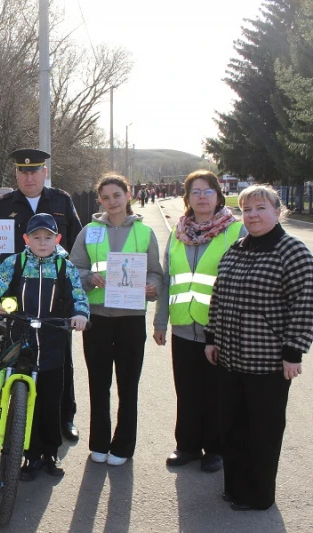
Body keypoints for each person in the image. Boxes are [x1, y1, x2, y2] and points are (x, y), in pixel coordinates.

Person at [0, 148, 83, 442]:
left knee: (60, 357)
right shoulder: (5, 204)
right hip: (16, 294)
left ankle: (64, 416)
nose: (29, 177)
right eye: (23, 172)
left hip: (53, 294)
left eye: (34, 171)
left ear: (44, 173)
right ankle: (13, 413)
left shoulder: (62, 201)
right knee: (17, 352)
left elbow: (79, 243)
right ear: (16, 174)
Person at [204, 185, 313, 511]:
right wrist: (212, 338)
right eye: (247, 209)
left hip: (268, 363)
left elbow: (305, 304)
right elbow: (218, 296)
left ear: (277, 211)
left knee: (263, 431)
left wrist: (293, 352)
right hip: (230, 359)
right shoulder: (236, 249)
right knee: (233, 426)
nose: (252, 215)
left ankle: (258, 495)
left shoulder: (293, 251)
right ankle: (236, 487)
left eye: (260, 208)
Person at [0, 213, 89, 480]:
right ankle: (29, 454)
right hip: (21, 341)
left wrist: (80, 314)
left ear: (57, 239)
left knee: (51, 400)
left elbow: (79, 295)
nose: (42, 242)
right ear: (26, 239)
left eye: (48, 237)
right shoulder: (15, 263)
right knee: (26, 401)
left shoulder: (65, 268)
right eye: (36, 237)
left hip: (53, 343)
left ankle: (50, 452)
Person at [153, 171, 245, 473]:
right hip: (183, 327)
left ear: (218, 196)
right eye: (195, 192)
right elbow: (167, 280)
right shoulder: (178, 233)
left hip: (219, 330)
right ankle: (187, 445)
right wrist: (160, 322)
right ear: (188, 198)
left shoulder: (236, 231)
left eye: (207, 191)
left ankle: (215, 449)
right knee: (187, 390)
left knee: (217, 393)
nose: (202, 197)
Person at [69, 173, 163, 466]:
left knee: (128, 385)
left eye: (117, 195)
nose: (112, 202)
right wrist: (89, 278)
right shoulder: (89, 232)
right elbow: (73, 270)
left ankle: (123, 446)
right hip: (97, 318)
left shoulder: (145, 233)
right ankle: (98, 443)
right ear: (100, 200)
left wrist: (152, 287)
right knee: (98, 384)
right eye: (106, 197)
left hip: (131, 319)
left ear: (128, 195)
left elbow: (156, 272)